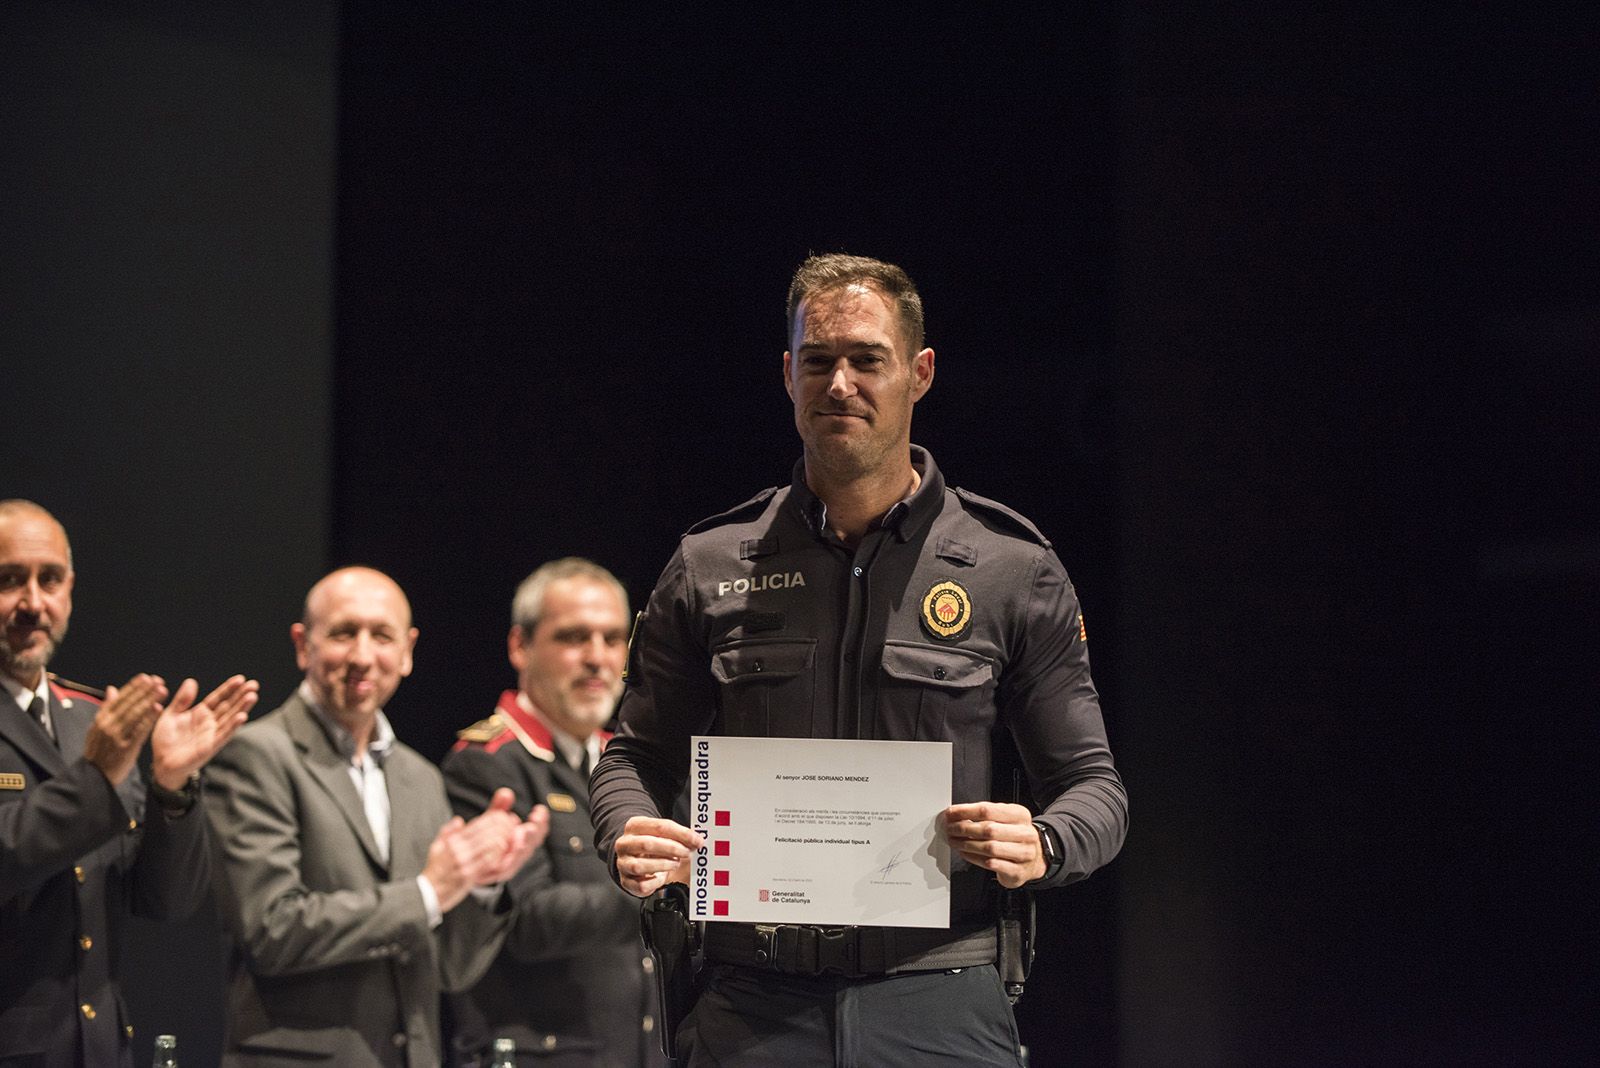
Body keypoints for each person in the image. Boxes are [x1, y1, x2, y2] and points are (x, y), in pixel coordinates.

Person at [590, 254, 1129, 1066]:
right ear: (786, 375)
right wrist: (626, 829)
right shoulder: (708, 565)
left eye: (866, 360)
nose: (839, 382)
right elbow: (632, 755)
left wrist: (1046, 843)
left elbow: (1097, 792)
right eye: (818, 360)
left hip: (938, 1002)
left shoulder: (1011, 569)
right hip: (750, 1004)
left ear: (919, 373)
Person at [204, 566, 548, 1067]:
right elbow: (271, 930)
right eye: (344, 633)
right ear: (303, 645)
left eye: (382, 636)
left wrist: (481, 885)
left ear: (407, 651)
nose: (363, 656)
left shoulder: (421, 776)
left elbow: (449, 969)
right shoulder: (256, 756)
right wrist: (429, 892)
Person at [0, 499, 258, 1067]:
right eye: (10, 580)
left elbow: (164, 900)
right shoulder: (102, 740)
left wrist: (171, 786)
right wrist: (95, 778)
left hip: (99, 1048)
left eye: (50, 580)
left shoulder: (91, 719)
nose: (33, 602)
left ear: (70, 590)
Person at [442, 558, 666, 1067]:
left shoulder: (625, 763)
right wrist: (667, 887)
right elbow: (524, 920)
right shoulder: (486, 763)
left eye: (612, 638)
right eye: (573, 638)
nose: (597, 657)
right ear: (520, 646)